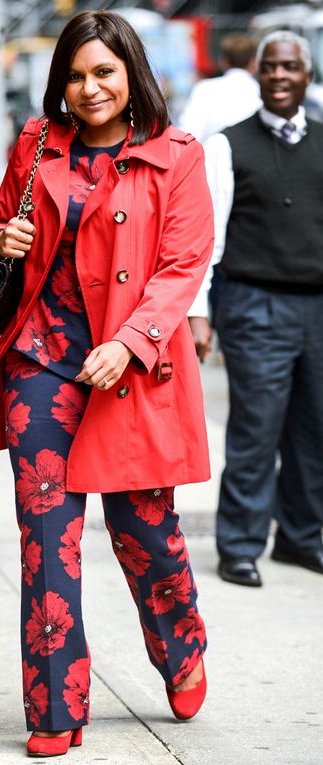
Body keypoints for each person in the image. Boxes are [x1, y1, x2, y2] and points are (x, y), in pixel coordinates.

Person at [0, 11, 214, 757]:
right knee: (45, 539)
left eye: (103, 71)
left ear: (131, 72)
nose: (89, 87)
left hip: (127, 370)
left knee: (144, 529)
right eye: (75, 74)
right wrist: (1, 238)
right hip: (40, 359)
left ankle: (181, 642)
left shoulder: (177, 155)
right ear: (58, 82)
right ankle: (55, 705)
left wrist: (132, 342)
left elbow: (181, 266)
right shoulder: (38, 145)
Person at [189, 31, 323, 587]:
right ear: (258, 74)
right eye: (271, 67)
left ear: (307, 74)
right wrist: (199, 311)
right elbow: (206, 239)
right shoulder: (226, 146)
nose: (281, 76)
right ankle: (240, 545)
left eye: (291, 67)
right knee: (256, 430)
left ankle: (300, 538)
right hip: (252, 304)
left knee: (314, 431)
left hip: (317, 306)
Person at [178, 33, 262, 144]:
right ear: (254, 62)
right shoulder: (262, 91)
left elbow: (188, 132)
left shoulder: (204, 89)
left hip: (210, 158)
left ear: (223, 61)